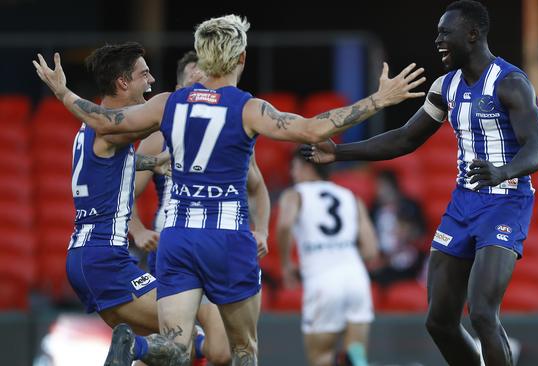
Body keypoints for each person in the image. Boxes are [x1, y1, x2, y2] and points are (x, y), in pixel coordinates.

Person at [33, 14, 427, 365]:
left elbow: (105, 120)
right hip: (227, 238)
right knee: (243, 350)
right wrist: (380, 99)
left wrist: (64, 92)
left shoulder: (170, 103)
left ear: (202, 59)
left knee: (175, 344)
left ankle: (138, 349)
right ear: (241, 59)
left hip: (178, 238)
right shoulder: (248, 108)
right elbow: (314, 128)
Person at [303, 1, 538, 365]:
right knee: (439, 322)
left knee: (482, 313)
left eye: (445, 33)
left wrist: (502, 172)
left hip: (506, 201)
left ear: (472, 34)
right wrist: (339, 153)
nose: (437, 41)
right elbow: (405, 138)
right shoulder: (445, 87)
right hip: (464, 202)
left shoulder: (510, 83)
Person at [129, 50, 271, 365]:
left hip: (216, 242)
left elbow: (258, 186)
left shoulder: (229, 131)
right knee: (178, 349)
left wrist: (261, 230)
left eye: (204, 75)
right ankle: (141, 354)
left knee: (218, 352)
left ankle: (141, 351)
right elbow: (126, 190)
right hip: (173, 245)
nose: (202, 83)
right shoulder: (159, 134)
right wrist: (137, 230)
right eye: (195, 77)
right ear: (182, 86)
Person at [56, 42, 189, 365]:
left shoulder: (97, 130)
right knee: (187, 334)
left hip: (86, 256)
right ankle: (135, 351)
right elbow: (156, 117)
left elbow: (112, 161)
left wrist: (152, 162)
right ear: (122, 82)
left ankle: (134, 350)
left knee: (165, 348)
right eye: (144, 74)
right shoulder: (111, 124)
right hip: (104, 258)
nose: (152, 80)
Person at [276, 151, 378, 366]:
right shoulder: (350, 196)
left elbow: (285, 224)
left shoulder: (295, 195)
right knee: (356, 354)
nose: (292, 173)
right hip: (355, 277)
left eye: (294, 167)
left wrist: (286, 264)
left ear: (306, 166)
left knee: (321, 357)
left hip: (322, 280)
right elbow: (370, 250)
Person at [369, 170, 427, 286]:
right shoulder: (374, 209)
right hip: (383, 260)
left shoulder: (410, 206)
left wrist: (409, 232)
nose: (379, 191)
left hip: (407, 258)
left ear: (392, 186)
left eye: (382, 186)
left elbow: (422, 233)